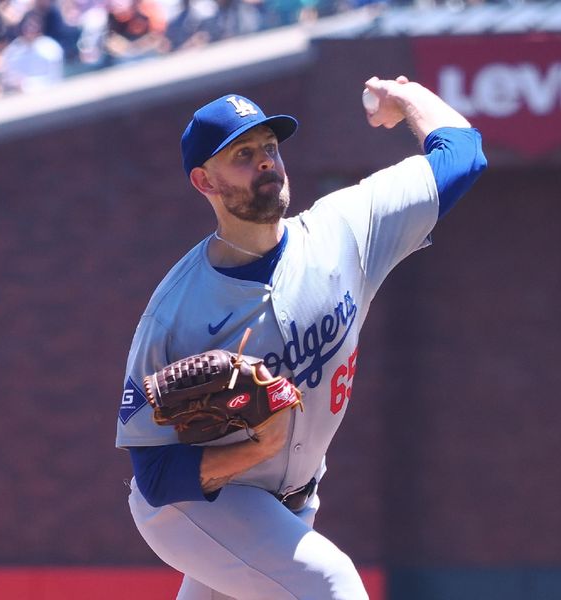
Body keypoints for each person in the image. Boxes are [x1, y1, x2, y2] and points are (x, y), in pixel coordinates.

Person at [116, 75, 487, 599]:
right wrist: (258, 447)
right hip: (193, 507)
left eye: (269, 146)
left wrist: (407, 99)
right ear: (205, 182)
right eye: (242, 154)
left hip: (288, 503)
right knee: (332, 585)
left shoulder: (345, 231)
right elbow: (152, 476)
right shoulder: (174, 314)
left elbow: (463, 155)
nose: (265, 160)